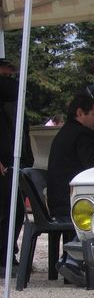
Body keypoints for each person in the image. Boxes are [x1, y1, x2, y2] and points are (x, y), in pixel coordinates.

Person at [47, 94, 94, 284]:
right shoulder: (82, 134)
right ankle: (72, 260)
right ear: (80, 113)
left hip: (57, 204)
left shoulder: (63, 133)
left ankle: (69, 259)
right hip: (70, 207)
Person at [0, 57, 34, 272]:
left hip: (15, 162)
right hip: (3, 164)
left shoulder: (12, 102)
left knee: (16, 211)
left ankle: (8, 253)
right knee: (6, 211)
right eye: (5, 76)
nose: (9, 81)